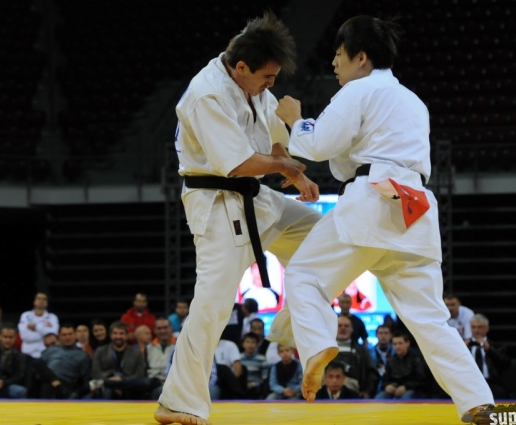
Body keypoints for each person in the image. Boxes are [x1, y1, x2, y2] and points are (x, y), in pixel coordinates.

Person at [270, 15, 494, 423]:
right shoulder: (413, 101)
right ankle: (479, 402)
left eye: (339, 54)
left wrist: (295, 120)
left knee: (304, 276)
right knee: (431, 320)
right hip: (414, 208)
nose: (334, 63)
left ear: (361, 57)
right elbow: (344, 158)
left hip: (372, 199)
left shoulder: (358, 90)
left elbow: (318, 145)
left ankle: (317, 345)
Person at [155, 12, 323, 425]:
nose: (271, 84)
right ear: (242, 67)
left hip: (256, 198)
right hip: (218, 206)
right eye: (267, 77)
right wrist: (285, 167)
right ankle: (178, 402)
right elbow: (239, 163)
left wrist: (296, 172)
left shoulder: (252, 84)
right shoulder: (207, 94)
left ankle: (288, 327)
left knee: (325, 237)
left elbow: (273, 140)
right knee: (212, 307)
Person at [92, 321, 150, 400]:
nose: (118, 336)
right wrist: (110, 380)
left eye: (121, 333)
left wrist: (122, 380)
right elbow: (96, 373)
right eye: (115, 333)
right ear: (110, 335)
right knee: (106, 390)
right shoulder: (100, 351)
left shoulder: (136, 352)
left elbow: (140, 374)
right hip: (107, 385)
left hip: (130, 386)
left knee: (144, 383)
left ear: (126, 335)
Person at [37, 323, 92, 399]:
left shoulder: (82, 355)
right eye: (64, 335)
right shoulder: (51, 350)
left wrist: (76, 392)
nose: (67, 337)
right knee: (35, 364)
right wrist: (52, 379)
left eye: (70, 334)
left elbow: (86, 381)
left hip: (66, 386)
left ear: (75, 335)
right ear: (59, 336)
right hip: (47, 381)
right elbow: (37, 365)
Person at [331, 315, 379, 398]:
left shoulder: (361, 350)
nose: (343, 328)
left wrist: (367, 391)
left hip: (353, 387)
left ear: (352, 329)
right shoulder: (323, 349)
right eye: (339, 326)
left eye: (346, 326)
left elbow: (372, 373)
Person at [467, 314, 508, 399]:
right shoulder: (463, 346)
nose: (476, 330)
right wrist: (461, 349)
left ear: (487, 328)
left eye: (480, 327)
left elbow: (505, 365)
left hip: (490, 383)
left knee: (501, 392)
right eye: (473, 327)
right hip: (468, 383)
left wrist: (490, 350)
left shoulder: (496, 346)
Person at [375, 333, 425, 399]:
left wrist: (406, 387)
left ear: (407, 343)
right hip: (394, 389)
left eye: (400, 343)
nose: (397, 347)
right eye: (395, 344)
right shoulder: (391, 360)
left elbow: (421, 381)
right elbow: (385, 379)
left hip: (412, 389)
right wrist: (387, 386)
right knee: (379, 398)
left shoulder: (416, 359)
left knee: (406, 397)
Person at [18, 292, 60, 359]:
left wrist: (35, 327)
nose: (41, 301)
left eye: (44, 299)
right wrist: (44, 330)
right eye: (39, 298)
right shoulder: (25, 315)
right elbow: (24, 336)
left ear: (47, 303)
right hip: (27, 353)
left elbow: (52, 335)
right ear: (34, 302)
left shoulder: (52, 317)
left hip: (45, 353)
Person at [147, 318, 176, 400]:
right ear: (154, 330)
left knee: (161, 391)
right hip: (152, 382)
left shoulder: (179, 346)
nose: (163, 331)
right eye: (159, 328)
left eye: (165, 328)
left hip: (172, 382)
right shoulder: (148, 348)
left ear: (171, 328)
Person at [240, 332, 269, 398]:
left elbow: (265, 379)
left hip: (256, 389)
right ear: (243, 344)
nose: (250, 345)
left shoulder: (262, 359)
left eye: (253, 342)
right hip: (241, 387)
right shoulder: (238, 358)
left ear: (257, 345)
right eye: (247, 342)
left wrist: (253, 384)